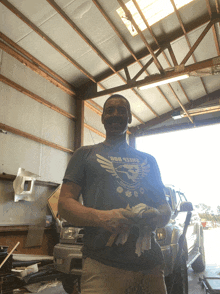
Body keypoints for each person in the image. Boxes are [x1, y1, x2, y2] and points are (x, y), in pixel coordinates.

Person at [58, 94, 171, 294]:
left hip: (150, 265)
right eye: (110, 110)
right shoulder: (85, 155)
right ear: (102, 118)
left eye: (122, 110)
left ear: (129, 118)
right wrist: (103, 217)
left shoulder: (148, 161)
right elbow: (65, 204)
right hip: (103, 266)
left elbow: (164, 206)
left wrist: (159, 215)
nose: (116, 114)